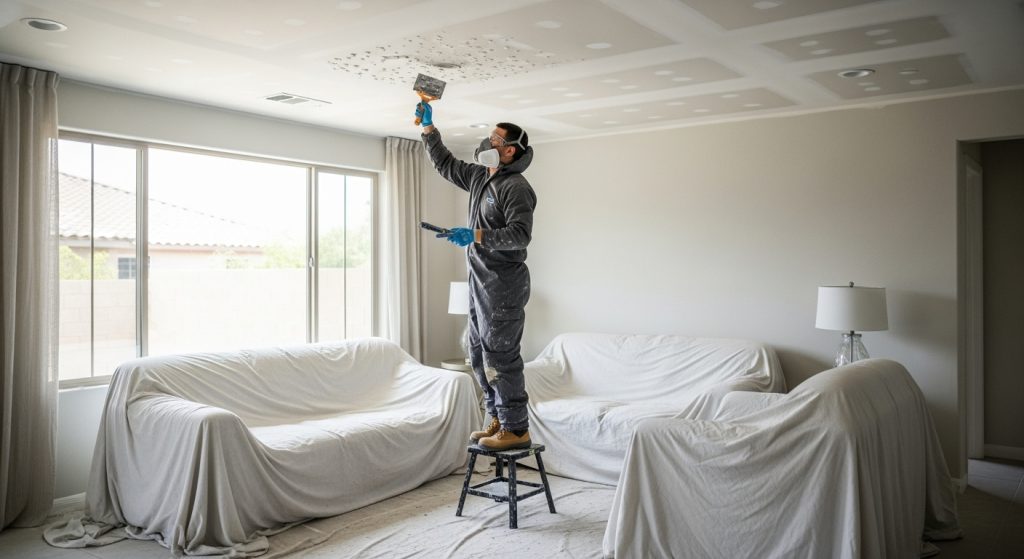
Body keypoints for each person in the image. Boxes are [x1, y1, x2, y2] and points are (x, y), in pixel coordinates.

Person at [415, 101, 537, 451]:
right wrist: (429, 129)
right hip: (479, 280)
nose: (485, 144)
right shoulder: (482, 178)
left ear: (509, 150)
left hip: (505, 284)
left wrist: (476, 235)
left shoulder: (515, 187)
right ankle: (498, 418)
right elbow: (446, 165)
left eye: (493, 140)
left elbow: (520, 235)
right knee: (478, 353)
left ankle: (517, 429)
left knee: (501, 354)